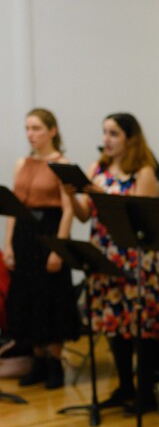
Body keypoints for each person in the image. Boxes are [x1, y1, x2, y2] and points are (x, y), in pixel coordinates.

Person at [65, 113, 159, 411]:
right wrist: (71, 196)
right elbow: (84, 214)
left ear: (130, 138)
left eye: (113, 133)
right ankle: (124, 386)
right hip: (103, 254)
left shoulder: (144, 172)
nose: (106, 139)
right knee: (113, 324)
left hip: (134, 257)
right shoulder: (98, 168)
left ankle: (145, 393)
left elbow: (140, 218)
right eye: (104, 132)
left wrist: (102, 194)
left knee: (138, 326)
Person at [4, 108, 79, 389]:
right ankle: (37, 360)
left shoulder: (62, 163)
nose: (31, 134)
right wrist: (8, 244)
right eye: (27, 128)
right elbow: (14, 207)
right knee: (27, 296)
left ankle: (55, 361)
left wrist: (58, 248)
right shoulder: (21, 162)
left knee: (52, 296)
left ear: (52, 131)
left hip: (49, 232)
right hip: (24, 235)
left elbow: (68, 209)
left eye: (36, 128)